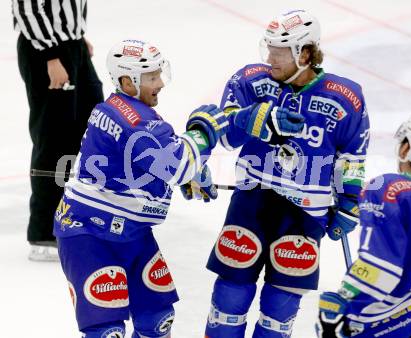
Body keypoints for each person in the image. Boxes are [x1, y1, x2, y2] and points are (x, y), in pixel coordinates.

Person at [52, 39, 300, 338]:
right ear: (128, 82)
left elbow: (147, 165)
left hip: (130, 232)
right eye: (152, 77)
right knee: (107, 331)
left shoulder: (124, 109)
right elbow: (176, 164)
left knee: (158, 318)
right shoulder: (136, 121)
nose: (160, 83)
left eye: (160, 74)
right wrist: (204, 132)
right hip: (90, 235)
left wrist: (183, 175)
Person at [196, 9, 370, 338]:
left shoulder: (346, 97)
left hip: (307, 212)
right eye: (269, 48)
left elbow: (352, 155)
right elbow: (225, 133)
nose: (270, 58)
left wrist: (349, 202)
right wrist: (252, 118)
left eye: (280, 51)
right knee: (230, 293)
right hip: (252, 201)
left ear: (305, 54)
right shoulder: (251, 80)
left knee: (281, 304)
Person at [317, 112, 411, 338]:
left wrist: (345, 299)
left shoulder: (388, 188)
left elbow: (382, 265)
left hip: (377, 316)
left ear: (405, 149)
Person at [12, 0, 104, 261]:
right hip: (46, 51)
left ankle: (78, 216)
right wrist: (52, 56)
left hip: (71, 45)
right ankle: (44, 233)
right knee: (53, 136)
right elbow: (26, 8)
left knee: (91, 126)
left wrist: (77, 36)